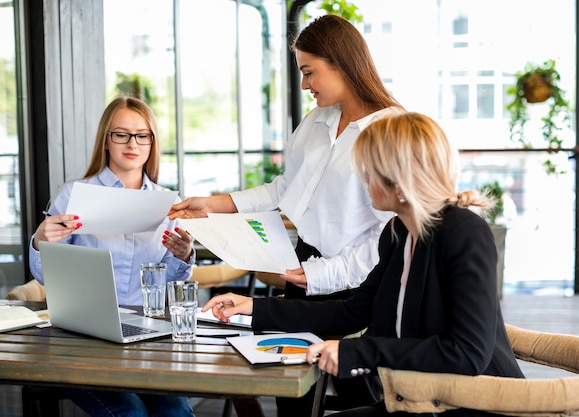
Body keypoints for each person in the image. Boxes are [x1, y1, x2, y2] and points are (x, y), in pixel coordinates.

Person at [204, 112, 526, 417]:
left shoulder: (464, 233)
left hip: (476, 407)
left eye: (368, 171)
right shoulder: (398, 233)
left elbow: (467, 354)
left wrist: (359, 353)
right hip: (419, 404)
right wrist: (252, 307)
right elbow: (351, 311)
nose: (363, 179)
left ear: (398, 183)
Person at [168, 14, 404, 302]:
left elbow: (389, 236)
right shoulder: (316, 121)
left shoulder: (391, 131)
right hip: (304, 265)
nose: (304, 85)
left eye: (309, 72)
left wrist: (325, 275)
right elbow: (286, 187)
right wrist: (214, 205)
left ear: (341, 64)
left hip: (357, 283)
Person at [29, 96, 196, 417]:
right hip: (84, 336)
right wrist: (40, 241)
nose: (132, 143)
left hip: (148, 334)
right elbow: (48, 277)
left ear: (152, 142)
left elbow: (172, 281)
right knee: (130, 413)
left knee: (175, 413)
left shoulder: (167, 203)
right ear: (106, 140)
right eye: (120, 134)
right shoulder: (73, 194)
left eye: (141, 135)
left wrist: (184, 256)